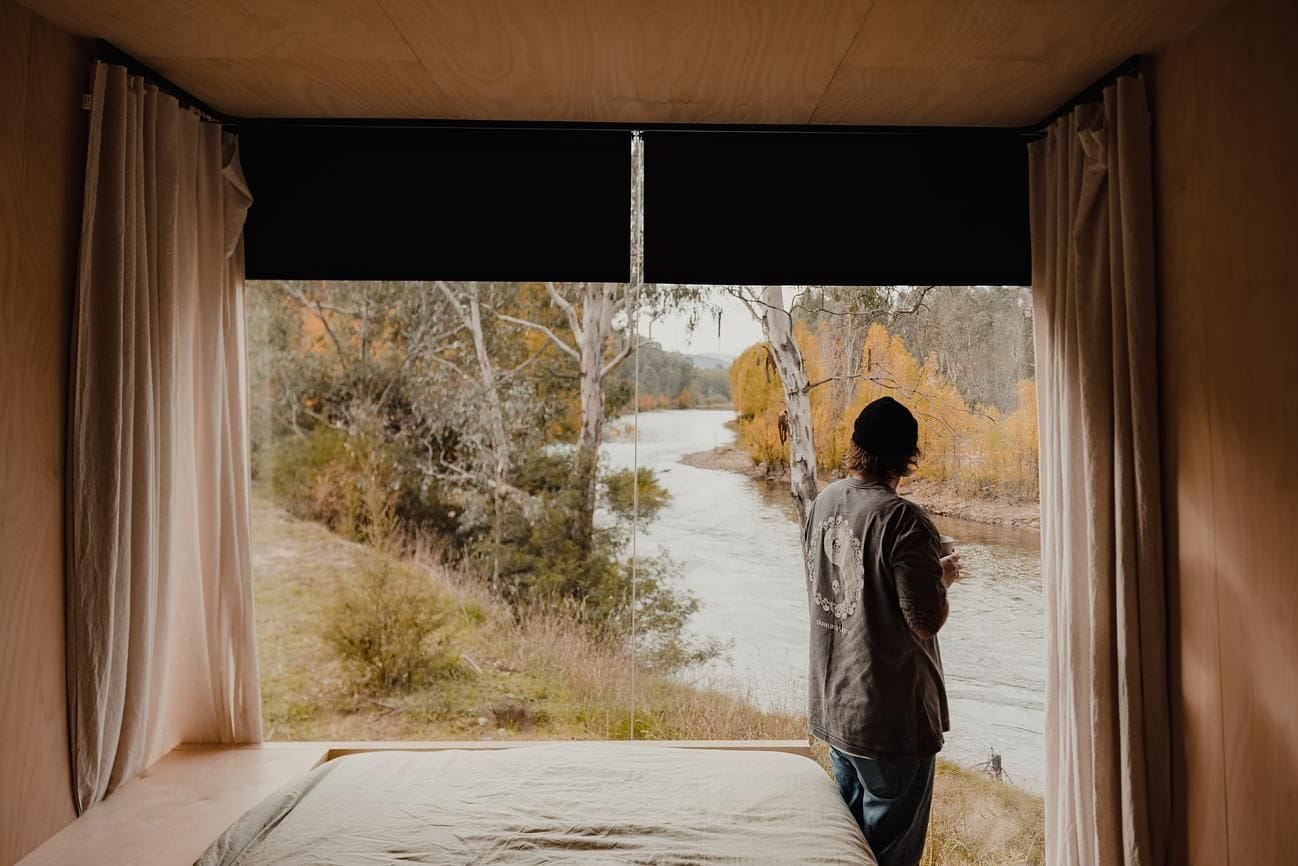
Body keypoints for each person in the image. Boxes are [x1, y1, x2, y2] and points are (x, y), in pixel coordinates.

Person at [804, 396, 961, 866]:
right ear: (908, 455)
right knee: (889, 857)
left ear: (856, 445)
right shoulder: (903, 519)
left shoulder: (824, 502)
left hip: (836, 709)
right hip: (888, 721)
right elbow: (925, 619)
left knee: (850, 851)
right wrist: (943, 576)